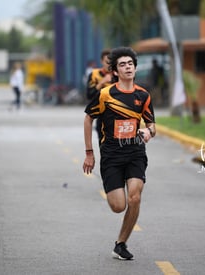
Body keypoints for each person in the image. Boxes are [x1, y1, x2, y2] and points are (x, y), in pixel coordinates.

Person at [82, 47, 156, 260]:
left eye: (130, 63)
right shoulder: (105, 94)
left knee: (135, 197)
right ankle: (117, 194)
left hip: (135, 152)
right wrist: (89, 153)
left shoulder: (143, 95)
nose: (128, 67)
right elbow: (88, 118)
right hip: (112, 155)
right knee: (118, 206)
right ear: (115, 71)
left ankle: (121, 244)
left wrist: (148, 132)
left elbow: (152, 125)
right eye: (122, 64)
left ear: (135, 67)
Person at [86, 49, 113, 143]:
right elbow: (89, 95)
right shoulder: (94, 75)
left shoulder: (119, 75)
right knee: (104, 146)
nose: (109, 64)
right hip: (102, 116)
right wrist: (102, 83)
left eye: (111, 62)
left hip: (118, 117)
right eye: (107, 62)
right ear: (102, 61)